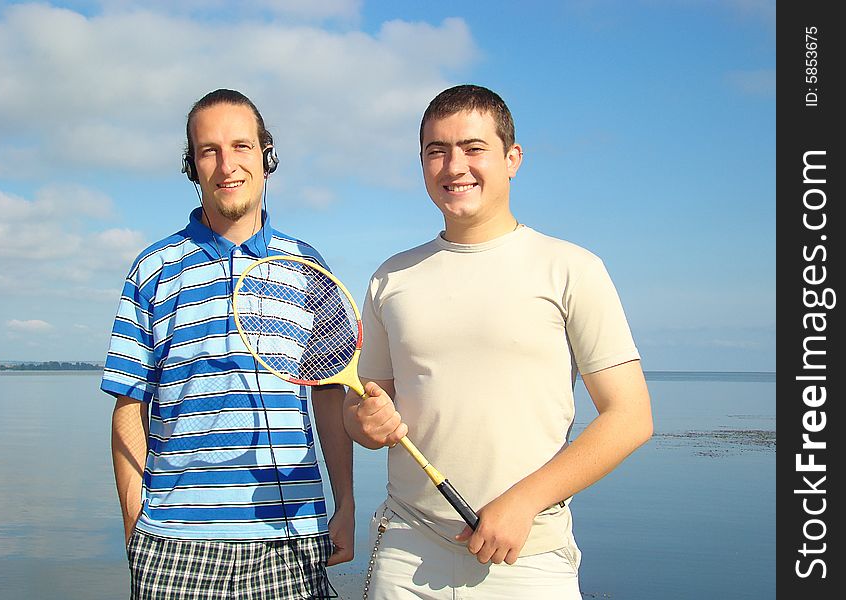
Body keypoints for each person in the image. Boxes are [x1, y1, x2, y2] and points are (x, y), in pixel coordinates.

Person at [343, 84, 653, 599]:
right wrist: (364, 421)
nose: (454, 166)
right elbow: (362, 407)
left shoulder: (572, 268)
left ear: (512, 159)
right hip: (406, 548)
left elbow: (631, 416)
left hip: (530, 554)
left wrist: (524, 503)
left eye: (473, 148)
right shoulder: (390, 278)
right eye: (436, 151)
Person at [102, 88, 354, 599]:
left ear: (267, 156)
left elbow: (329, 392)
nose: (226, 165)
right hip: (175, 545)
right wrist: (136, 527)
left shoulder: (306, 265)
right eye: (208, 151)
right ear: (193, 167)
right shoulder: (153, 268)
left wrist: (345, 502)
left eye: (241, 146)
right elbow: (130, 405)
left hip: (293, 539)